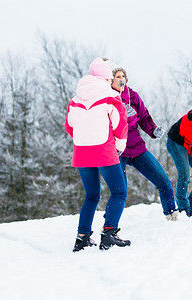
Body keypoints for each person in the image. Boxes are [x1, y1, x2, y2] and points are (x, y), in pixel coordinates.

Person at [66, 57, 131, 252]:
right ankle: (109, 233)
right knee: (119, 192)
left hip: (82, 153)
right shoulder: (110, 96)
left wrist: (84, 140)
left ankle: (82, 236)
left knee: (92, 195)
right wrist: (120, 146)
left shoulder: (75, 99)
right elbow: (120, 125)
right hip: (104, 151)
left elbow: (70, 127)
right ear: (106, 77)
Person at [103, 58, 178, 221]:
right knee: (119, 191)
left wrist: (153, 129)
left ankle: (171, 215)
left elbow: (144, 117)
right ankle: (109, 224)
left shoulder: (132, 95)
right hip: (117, 152)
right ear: (110, 81)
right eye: (117, 77)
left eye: (123, 76)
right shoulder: (106, 98)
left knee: (164, 182)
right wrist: (123, 117)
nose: (121, 79)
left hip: (137, 148)